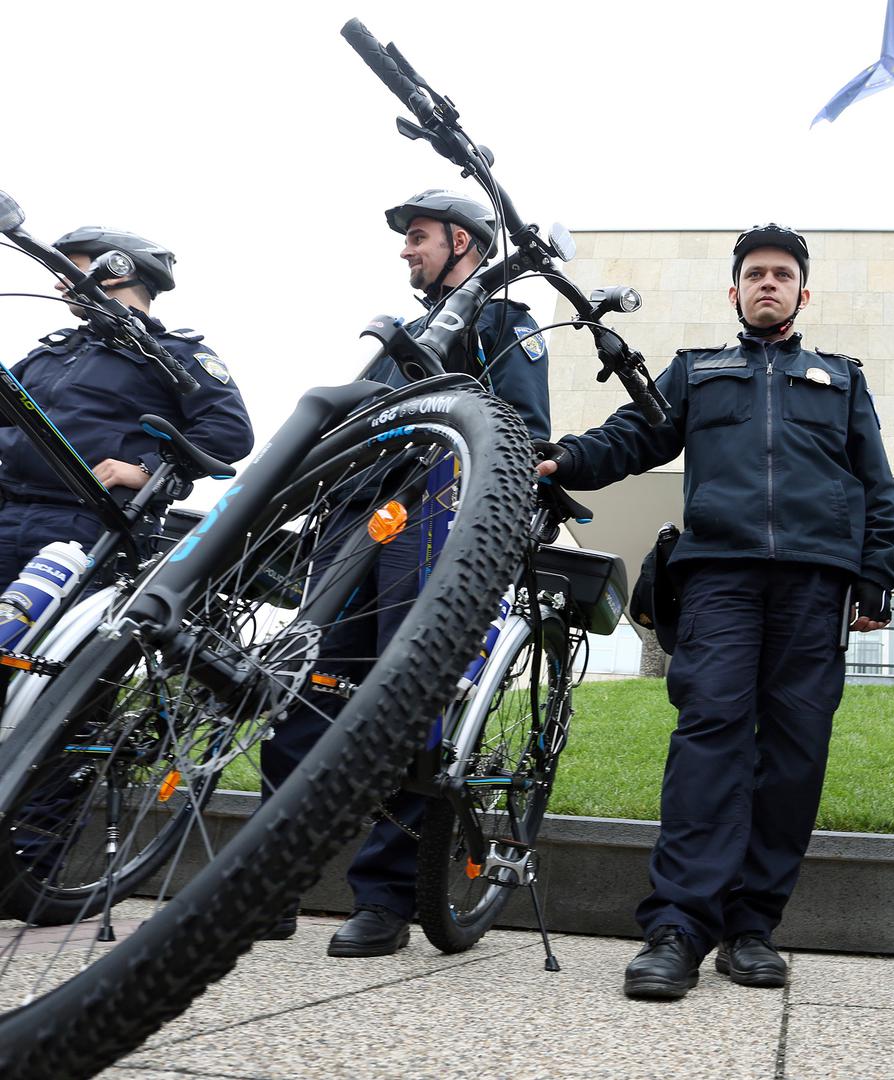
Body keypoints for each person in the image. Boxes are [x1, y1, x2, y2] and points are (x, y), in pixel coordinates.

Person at [537, 223, 894, 1001]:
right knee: (710, 743)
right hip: (718, 581)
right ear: (733, 292)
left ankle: (751, 928)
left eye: (781, 274)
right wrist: (565, 458)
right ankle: (677, 927)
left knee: (794, 755)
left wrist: (874, 574)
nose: (768, 283)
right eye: (754, 274)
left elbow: (875, 481)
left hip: (815, 585)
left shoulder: (842, 379)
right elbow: (635, 434)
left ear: (803, 294)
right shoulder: (697, 371)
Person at [259, 190, 552, 955]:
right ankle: (267, 883)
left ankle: (385, 898)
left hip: (431, 512)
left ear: (462, 241)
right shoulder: (406, 332)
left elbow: (522, 433)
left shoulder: (501, 322)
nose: (405, 249)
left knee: (407, 697)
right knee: (305, 691)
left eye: (418, 236)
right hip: (354, 515)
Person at [0, 226, 253, 586]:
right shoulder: (52, 350)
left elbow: (229, 431)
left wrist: (148, 469)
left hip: (93, 526)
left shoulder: (175, 355)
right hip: (8, 513)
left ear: (117, 269)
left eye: (70, 268)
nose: (58, 284)